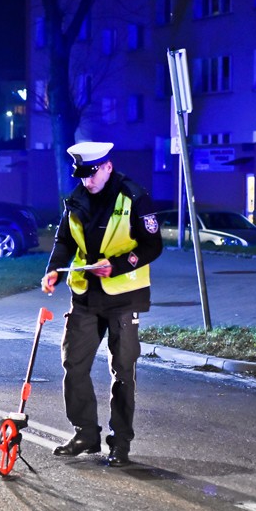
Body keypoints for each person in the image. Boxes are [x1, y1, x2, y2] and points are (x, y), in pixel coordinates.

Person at [41, 141, 163, 467]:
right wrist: (52, 270)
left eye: (91, 174)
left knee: (123, 372)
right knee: (74, 365)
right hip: (84, 296)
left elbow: (153, 246)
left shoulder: (134, 197)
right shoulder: (77, 199)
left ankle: (120, 443)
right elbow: (64, 241)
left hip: (124, 297)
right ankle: (86, 433)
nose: (86, 181)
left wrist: (119, 265)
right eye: (81, 175)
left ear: (107, 166)